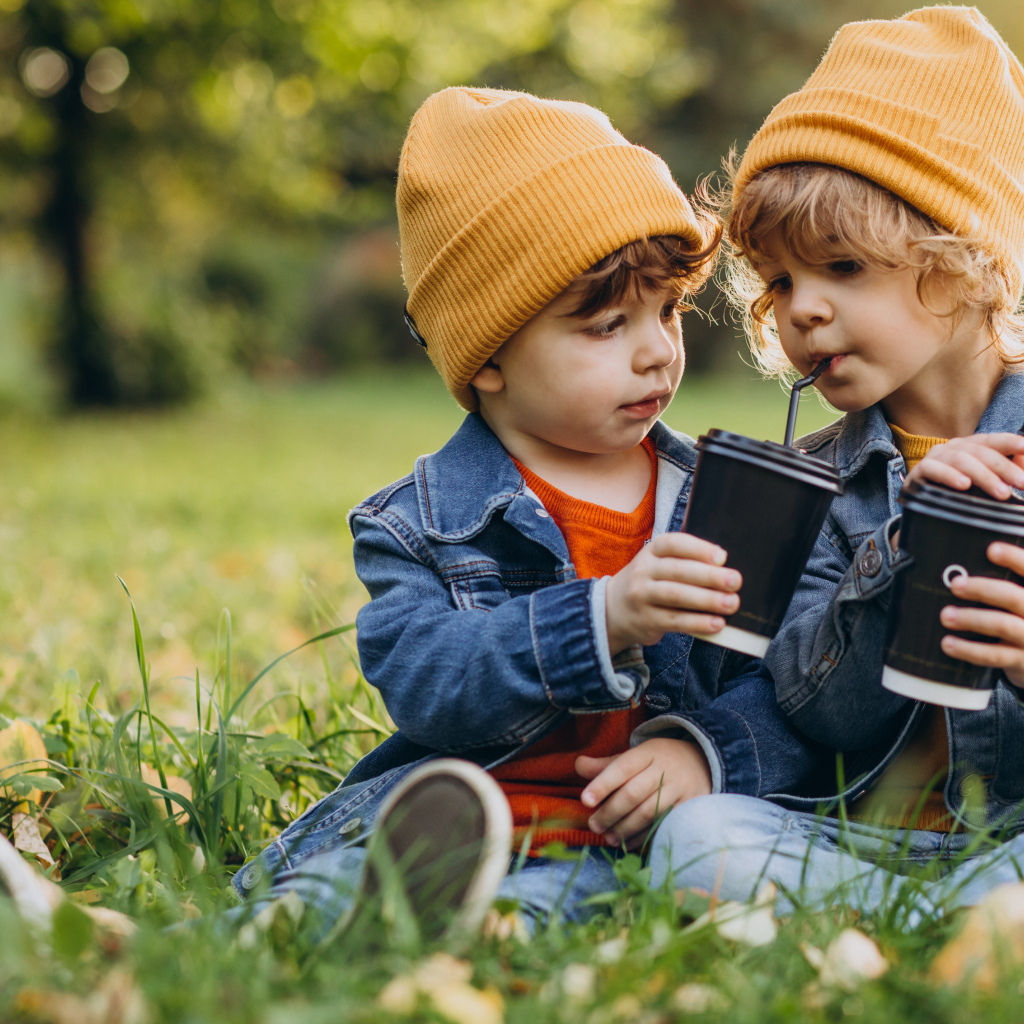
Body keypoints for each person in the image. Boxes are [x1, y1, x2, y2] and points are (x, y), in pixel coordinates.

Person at [229, 87, 818, 940]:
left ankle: (443, 930)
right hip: (431, 823)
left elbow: (793, 681)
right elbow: (428, 682)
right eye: (609, 324)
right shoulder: (419, 523)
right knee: (322, 889)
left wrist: (704, 751)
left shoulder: (719, 501)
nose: (657, 349)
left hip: (599, 851)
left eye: (668, 311)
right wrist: (602, 618)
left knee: (540, 911)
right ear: (490, 353)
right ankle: (142, 948)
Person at [651, 5, 1024, 918]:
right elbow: (822, 715)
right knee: (694, 839)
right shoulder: (814, 486)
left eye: (843, 267)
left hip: (1012, 833)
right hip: (851, 836)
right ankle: (958, 927)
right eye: (779, 281)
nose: (800, 310)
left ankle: (972, 917)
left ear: (968, 259)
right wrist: (894, 550)